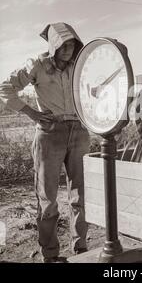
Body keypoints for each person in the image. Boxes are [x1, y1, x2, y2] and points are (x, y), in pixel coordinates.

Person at [0, 22, 90, 263]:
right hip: (50, 134)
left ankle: (81, 247)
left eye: (72, 44)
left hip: (80, 131)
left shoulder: (79, 66)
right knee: (47, 198)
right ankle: (50, 253)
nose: (68, 49)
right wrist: (30, 112)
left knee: (81, 195)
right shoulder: (37, 65)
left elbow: (90, 92)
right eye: (63, 44)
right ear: (53, 45)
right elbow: (5, 88)